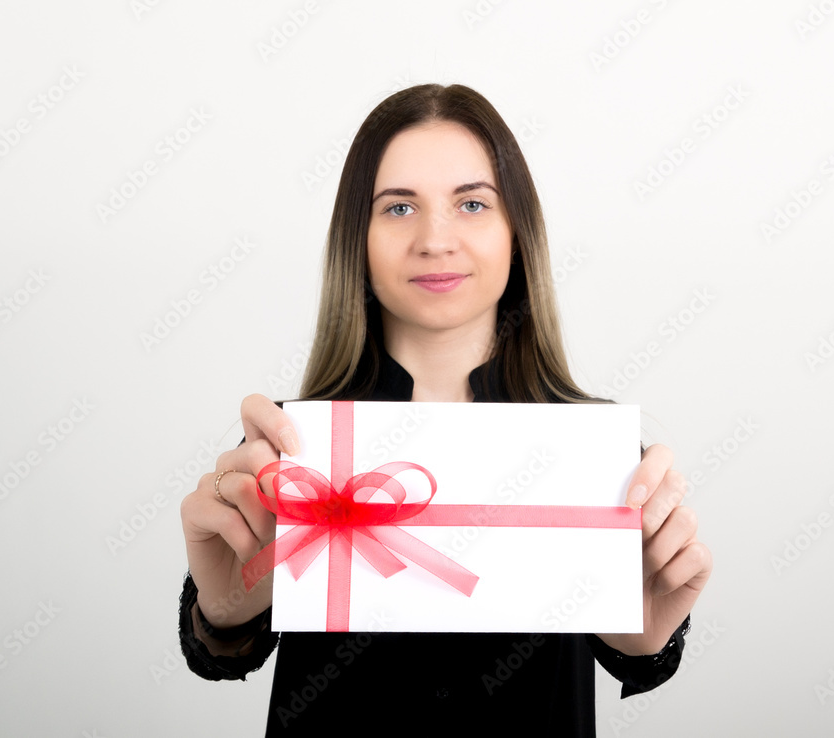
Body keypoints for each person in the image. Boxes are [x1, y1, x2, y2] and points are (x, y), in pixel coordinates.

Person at [177, 83, 712, 737]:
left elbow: (641, 648)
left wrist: (646, 638)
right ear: (358, 238)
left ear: (517, 233)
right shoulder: (291, 448)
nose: (435, 239)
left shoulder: (595, 454)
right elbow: (221, 648)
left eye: (472, 203)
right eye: (399, 207)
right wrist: (222, 611)